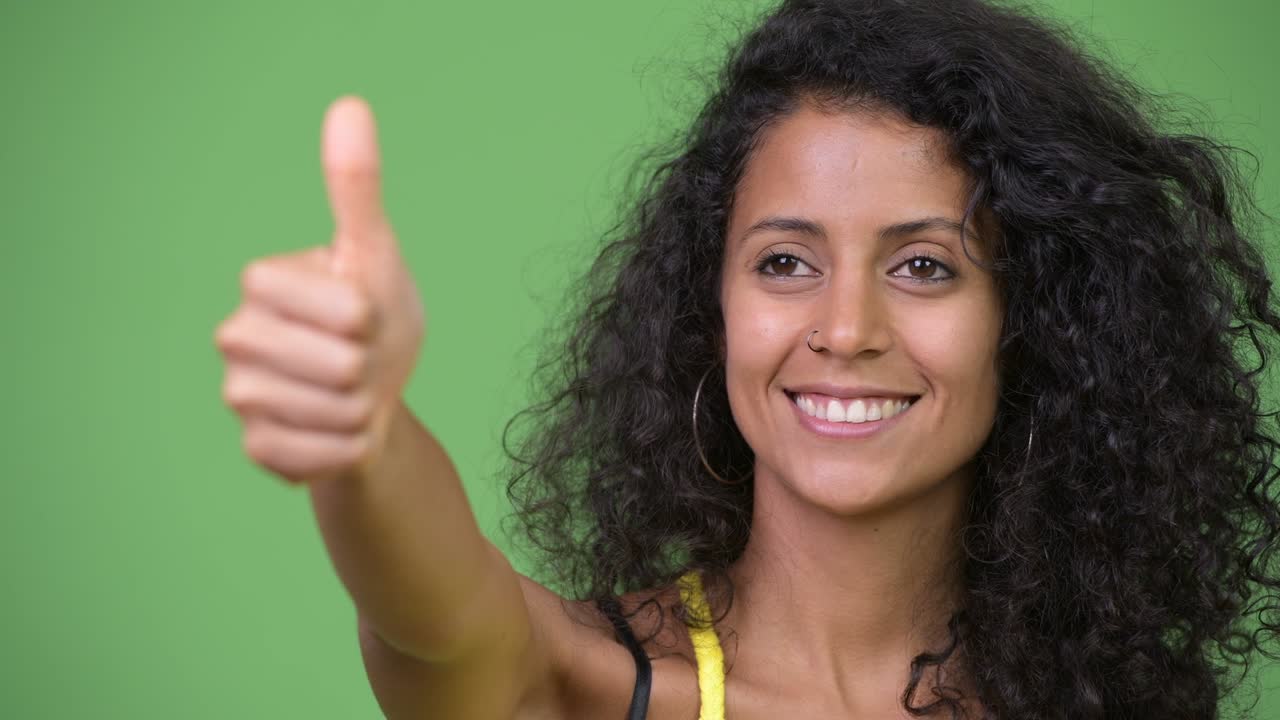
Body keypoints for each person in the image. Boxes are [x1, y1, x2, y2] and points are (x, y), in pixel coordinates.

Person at [213, 0, 1280, 717]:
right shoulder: (592, 681)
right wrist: (366, 438)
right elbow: (433, 619)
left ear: (1034, 319)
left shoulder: (1101, 701)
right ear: (707, 304)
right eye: (782, 261)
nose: (844, 328)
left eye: (921, 266)